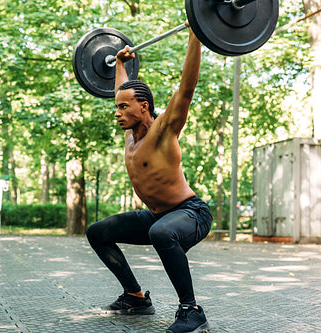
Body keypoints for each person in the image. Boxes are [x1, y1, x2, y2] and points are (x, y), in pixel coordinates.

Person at [86, 24, 212, 333]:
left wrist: (197, 34)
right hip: (156, 216)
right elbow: (124, 90)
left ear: (144, 107)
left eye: (123, 107)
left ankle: (191, 310)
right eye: (117, 106)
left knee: (161, 232)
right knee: (97, 232)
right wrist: (119, 64)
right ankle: (136, 297)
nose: (117, 112)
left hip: (190, 213)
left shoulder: (164, 131)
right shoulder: (130, 134)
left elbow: (186, 88)